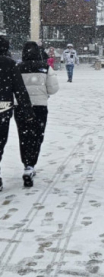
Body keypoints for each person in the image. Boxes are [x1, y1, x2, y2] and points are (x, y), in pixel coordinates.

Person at [14, 41, 59, 187]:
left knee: (24, 135)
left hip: (21, 107)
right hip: (40, 106)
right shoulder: (45, 68)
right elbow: (53, 89)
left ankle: (26, 162)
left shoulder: (17, 68)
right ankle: (31, 163)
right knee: (37, 135)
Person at [0, 36, 35, 192]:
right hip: (3, 106)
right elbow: (19, 88)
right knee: (0, 141)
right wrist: (27, 109)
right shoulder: (9, 64)